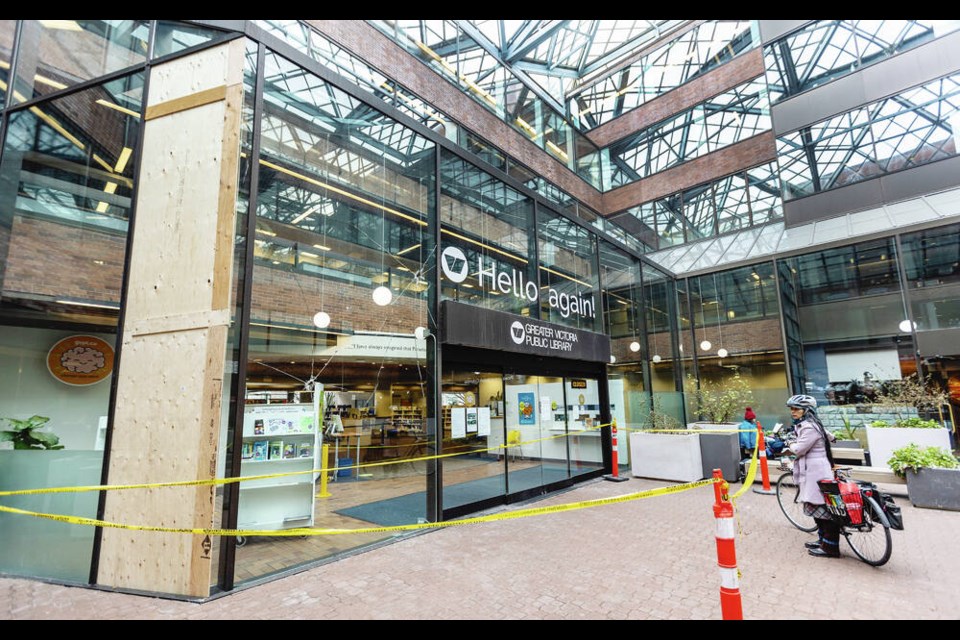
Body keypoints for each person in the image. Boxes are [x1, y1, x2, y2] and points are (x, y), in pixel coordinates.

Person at [785, 394, 840, 558]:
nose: (792, 412)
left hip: (816, 471)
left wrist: (790, 443)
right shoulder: (812, 424)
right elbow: (831, 437)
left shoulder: (809, 427)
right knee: (817, 507)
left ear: (806, 410)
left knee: (823, 508)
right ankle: (823, 540)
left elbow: (799, 449)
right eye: (791, 409)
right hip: (814, 469)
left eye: (796, 409)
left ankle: (830, 547)